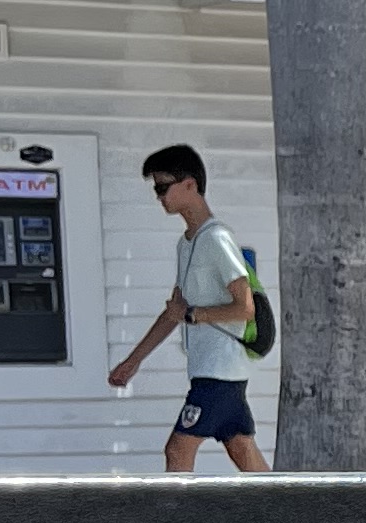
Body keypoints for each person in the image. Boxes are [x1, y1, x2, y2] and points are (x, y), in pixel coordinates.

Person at [109, 143, 269, 473]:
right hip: (212, 369)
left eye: (162, 187)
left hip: (219, 371)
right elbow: (174, 312)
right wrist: (133, 361)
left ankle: (175, 512)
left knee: (177, 450)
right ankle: (290, 506)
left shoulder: (216, 239)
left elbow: (245, 307)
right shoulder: (187, 244)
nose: (158, 196)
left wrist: (195, 315)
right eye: (156, 188)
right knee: (243, 450)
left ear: (190, 185)